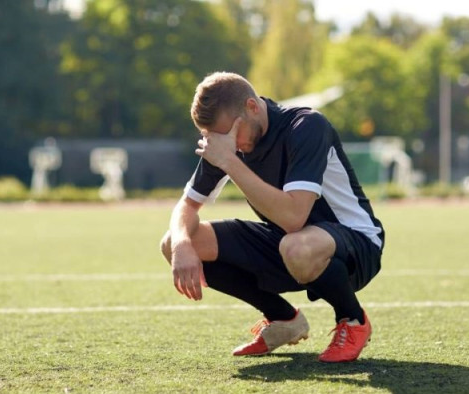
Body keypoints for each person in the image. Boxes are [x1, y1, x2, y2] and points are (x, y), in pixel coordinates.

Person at [160, 72, 384, 362]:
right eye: (218, 139)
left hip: (355, 242)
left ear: (252, 107)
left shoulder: (306, 126)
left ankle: (353, 320)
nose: (231, 144)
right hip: (288, 242)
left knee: (296, 246)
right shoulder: (228, 140)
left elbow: (294, 216)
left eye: (231, 135)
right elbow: (186, 207)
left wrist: (229, 161)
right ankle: (283, 319)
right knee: (176, 241)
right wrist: (180, 246)